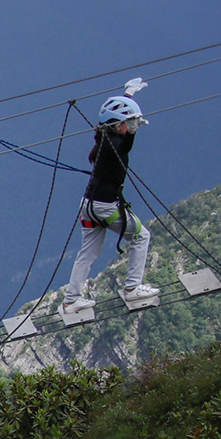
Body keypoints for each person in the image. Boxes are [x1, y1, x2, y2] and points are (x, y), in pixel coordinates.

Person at [61, 86, 160, 314]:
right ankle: (132, 288)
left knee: (87, 253)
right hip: (106, 207)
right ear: (119, 125)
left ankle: (70, 301)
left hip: (89, 206)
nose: (130, 127)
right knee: (141, 236)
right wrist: (133, 132)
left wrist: (128, 96)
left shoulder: (104, 137)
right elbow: (124, 147)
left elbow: (116, 123)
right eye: (128, 123)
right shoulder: (112, 145)